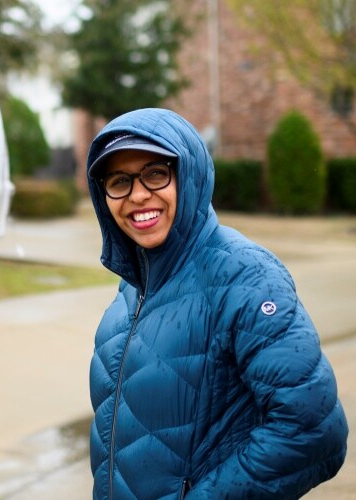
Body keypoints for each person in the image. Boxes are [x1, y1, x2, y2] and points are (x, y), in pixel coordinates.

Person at [86, 108, 348, 499]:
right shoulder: (131, 292)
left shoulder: (246, 275)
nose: (138, 194)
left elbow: (313, 430)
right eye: (119, 181)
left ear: (188, 175)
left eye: (156, 173)